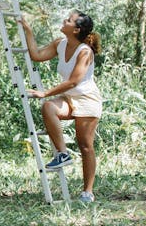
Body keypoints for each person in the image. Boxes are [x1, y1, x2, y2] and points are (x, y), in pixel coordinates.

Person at [19, 11, 102, 203]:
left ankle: (87, 192)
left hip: (87, 99)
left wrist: (45, 92)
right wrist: (28, 31)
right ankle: (63, 154)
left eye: (69, 20)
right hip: (70, 98)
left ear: (76, 29)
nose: (64, 21)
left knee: (85, 145)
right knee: (49, 107)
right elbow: (37, 55)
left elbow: (74, 81)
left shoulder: (85, 51)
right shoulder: (60, 43)